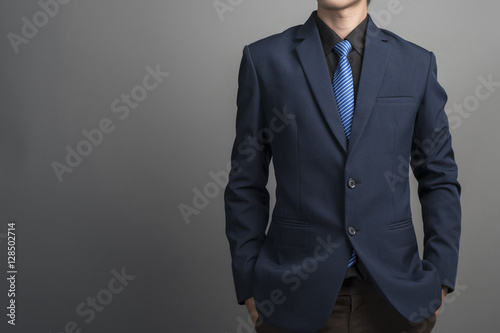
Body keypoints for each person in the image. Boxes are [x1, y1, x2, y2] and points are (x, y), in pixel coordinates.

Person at [224, 0, 461, 332]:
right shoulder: (264, 60)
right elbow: (244, 182)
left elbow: (439, 178)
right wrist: (249, 282)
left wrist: (440, 276)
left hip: (397, 296)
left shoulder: (416, 63)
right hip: (292, 295)